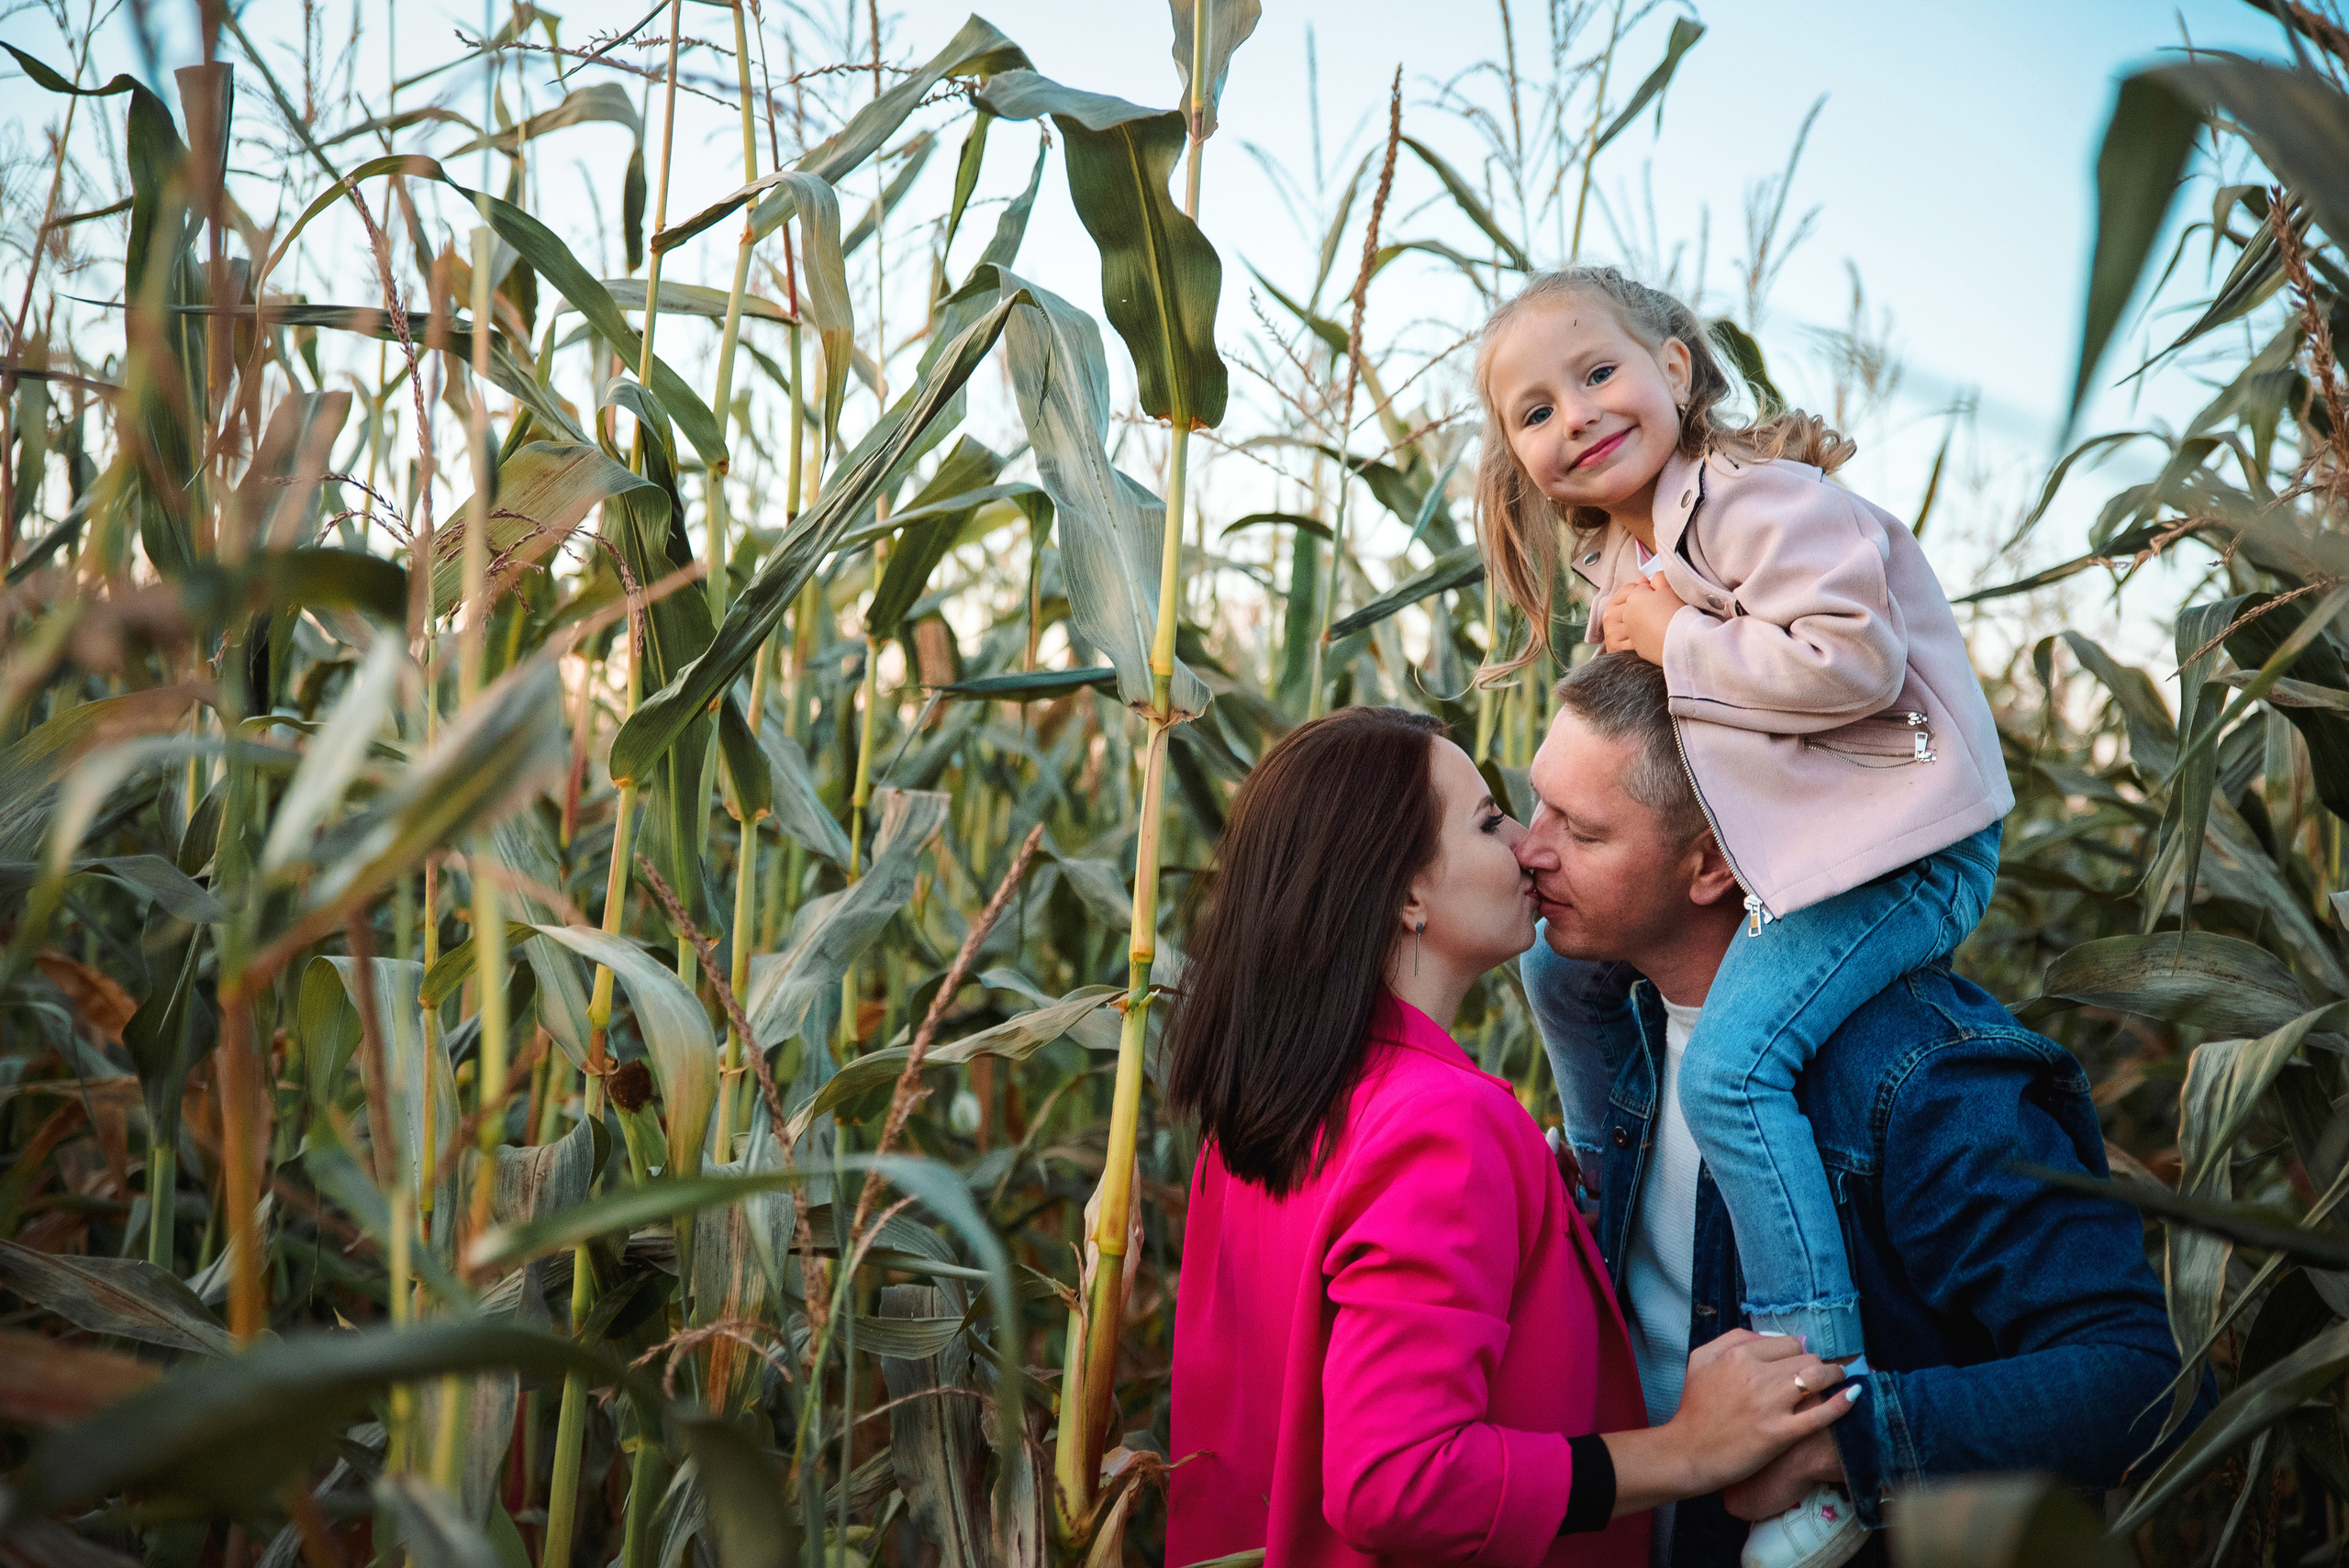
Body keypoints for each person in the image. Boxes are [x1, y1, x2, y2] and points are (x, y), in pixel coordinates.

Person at [1468, 266, 2014, 1562]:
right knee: (1559, 968)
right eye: (1536, 410)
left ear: (1677, 364)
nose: (1578, 416)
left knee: (1734, 1073)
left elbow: (1855, 662)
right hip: (1810, 854)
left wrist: (1672, 638)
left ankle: (1807, 1419)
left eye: (1599, 373)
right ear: (1523, 462)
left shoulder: (1763, 502)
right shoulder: (1635, 547)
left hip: (1904, 856)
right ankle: (1602, 1188)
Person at [1517, 653, 2190, 1568]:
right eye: (1536, 802)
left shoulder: (1919, 1076)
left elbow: (2139, 1381)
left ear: (1713, 860)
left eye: (1579, 830)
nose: (1529, 846)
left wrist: (1833, 1439)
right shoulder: (1618, 1020)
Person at [1165, 706, 1854, 1568]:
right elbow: (1397, 1479)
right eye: (1491, 820)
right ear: (1405, 894)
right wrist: (1688, 1447)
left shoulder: (1262, 1109)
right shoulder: (1440, 1124)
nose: (1529, 846)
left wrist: (1545, 1232)